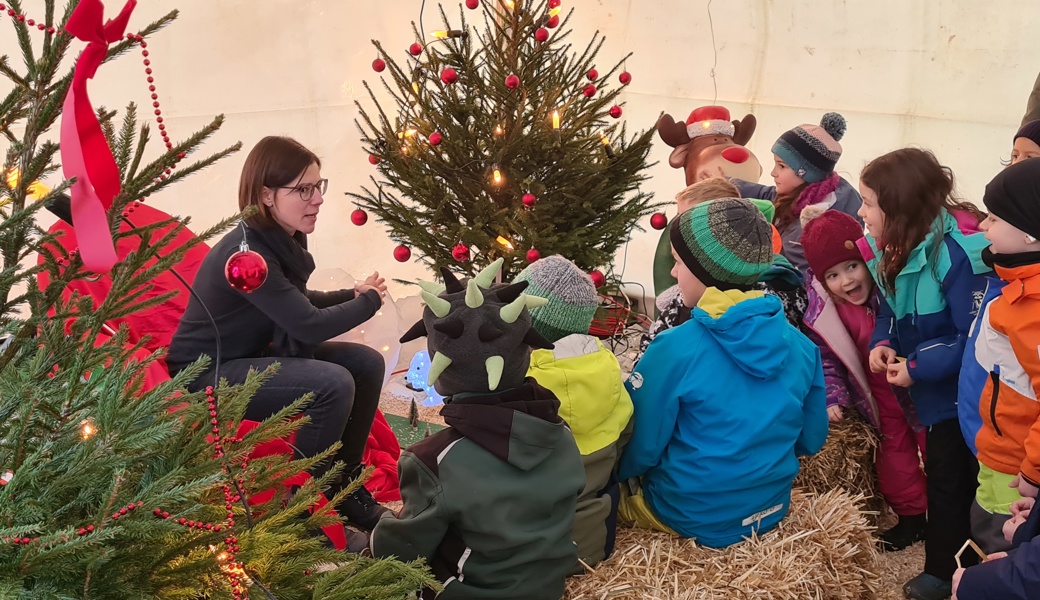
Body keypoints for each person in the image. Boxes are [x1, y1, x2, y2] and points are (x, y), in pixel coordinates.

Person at [166, 136, 390, 534]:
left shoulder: (277, 239)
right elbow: (306, 324)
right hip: (206, 374)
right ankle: (300, 510)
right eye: (304, 189)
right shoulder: (247, 257)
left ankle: (342, 484)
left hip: (248, 356)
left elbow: (297, 302)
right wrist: (368, 302)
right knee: (333, 383)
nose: (317, 198)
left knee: (365, 363)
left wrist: (350, 295)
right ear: (267, 195)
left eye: (319, 186)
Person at [617, 198, 828, 548]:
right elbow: (812, 438)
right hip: (771, 507)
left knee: (604, 503)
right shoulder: (802, 346)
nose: (673, 273)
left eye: (679, 262)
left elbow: (641, 445)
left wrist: (617, 476)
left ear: (705, 271)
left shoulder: (675, 347)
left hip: (689, 514)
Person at [371, 259, 585, 600]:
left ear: (441, 370)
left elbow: (401, 552)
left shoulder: (432, 460)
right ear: (526, 351)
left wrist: (377, 533)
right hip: (547, 588)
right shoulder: (561, 434)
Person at [856, 148, 993, 600]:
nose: (861, 212)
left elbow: (969, 336)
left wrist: (916, 366)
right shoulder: (893, 251)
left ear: (898, 207)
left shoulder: (958, 259)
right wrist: (883, 342)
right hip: (932, 395)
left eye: (869, 202)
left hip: (967, 397)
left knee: (959, 480)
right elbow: (890, 313)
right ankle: (945, 564)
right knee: (943, 474)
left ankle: (951, 571)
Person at [799, 208, 928, 551]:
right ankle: (913, 518)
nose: (847, 281)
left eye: (852, 266)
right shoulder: (825, 313)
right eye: (833, 275)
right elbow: (826, 359)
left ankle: (950, 510)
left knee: (938, 449)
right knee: (894, 456)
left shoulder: (893, 287)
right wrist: (834, 395)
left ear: (868, 258)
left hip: (919, 386)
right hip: (878, 397)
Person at [516, 255, 634, 569]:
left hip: (526, 549)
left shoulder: (520, 387)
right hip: (591, 543)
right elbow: (626, 436)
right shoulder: (609, 371)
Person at [638, 178, 808, 361]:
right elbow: (651, 347)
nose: (680, 224)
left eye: (688, 217)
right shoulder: (684, 299)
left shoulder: (770, 302)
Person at [964, 160, 1040, 559]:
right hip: (1001, 450)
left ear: (1029, 232)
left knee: (999, 545)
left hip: (1018, 468)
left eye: (993, 217)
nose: (982, 226)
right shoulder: (1019, 289)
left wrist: (1033, 472)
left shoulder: (1035, 308)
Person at [731, 112, 862, 276]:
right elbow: (768, 195)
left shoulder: (812, 226)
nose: (773, 172)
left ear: (804, 172)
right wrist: (726, 184)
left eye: (782, 166)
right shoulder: (805, 194)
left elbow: (791, 276)